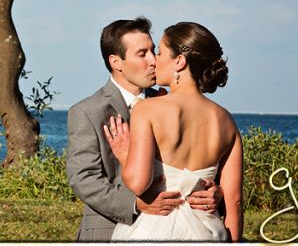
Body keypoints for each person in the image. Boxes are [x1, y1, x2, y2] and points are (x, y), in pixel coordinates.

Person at [66, 17, 223, 242]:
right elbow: (84, 178)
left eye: (153, 51)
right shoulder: (87, 111)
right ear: (116, 62)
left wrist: (216, 192)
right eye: (142, 54)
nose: (153, 61)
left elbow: (198, 163)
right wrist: (135, 204)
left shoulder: (170, 103)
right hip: (106, 231)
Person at [105, 21, 243, 241]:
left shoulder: (147, 109)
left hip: (154, 229)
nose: (154, 60)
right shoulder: (226, 121)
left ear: (179, 61)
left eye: (160, 52)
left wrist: (124, 154)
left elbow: (139, 183)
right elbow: (234, 201)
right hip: (207, 232)